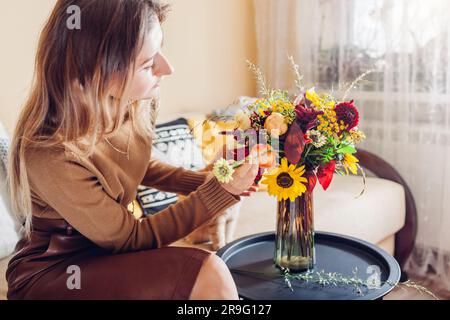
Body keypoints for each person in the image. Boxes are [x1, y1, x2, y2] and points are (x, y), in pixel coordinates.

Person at [6, 0, 258, 300]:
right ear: (98, 71)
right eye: (148, 63)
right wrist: (219, 193)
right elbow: (131, 237)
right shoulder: (49, 153)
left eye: (160, 49)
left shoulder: (131, 102)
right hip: (54, 272)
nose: (167, 68)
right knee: (209, 272)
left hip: (105, 253)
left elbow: (139, 165)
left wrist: (209, 182)